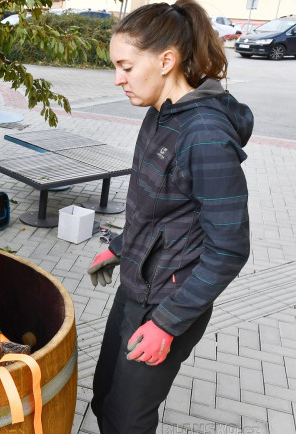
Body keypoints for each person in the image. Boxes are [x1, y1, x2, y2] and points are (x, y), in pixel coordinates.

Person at [86, 1, 252, 432]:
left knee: (127, 419)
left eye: (125, 66)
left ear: (165, 60)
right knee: (104, 397)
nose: (118, 79)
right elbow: (159, 207)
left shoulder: (206, 136)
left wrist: (167, 323)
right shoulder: (160, 114)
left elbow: (229, 248)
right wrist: (120, 248)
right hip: (137, 287)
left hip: (169, 302)